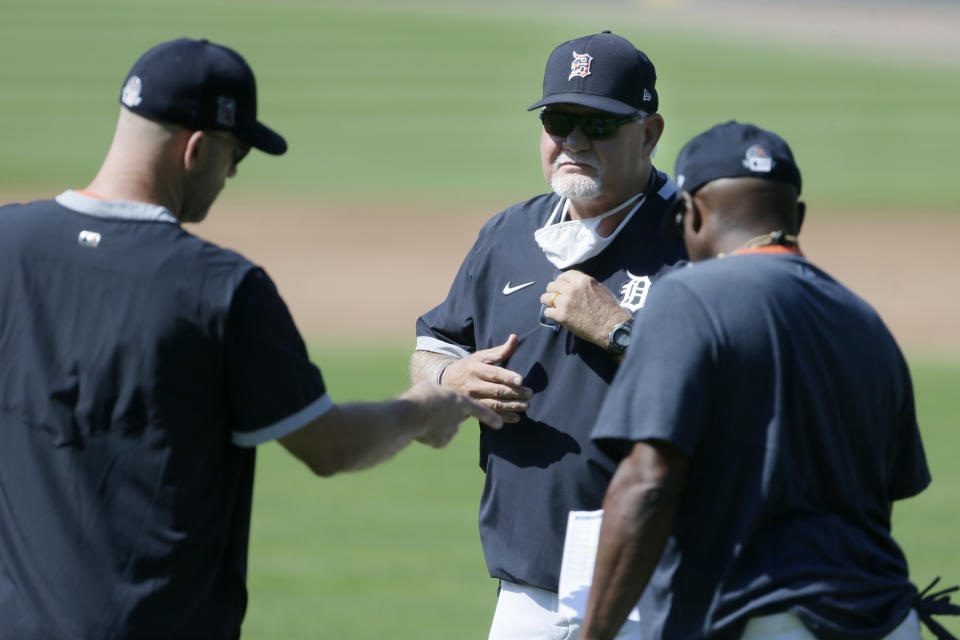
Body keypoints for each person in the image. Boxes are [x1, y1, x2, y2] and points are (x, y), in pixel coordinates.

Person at [0, 38, 500, 640]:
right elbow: (330, 446)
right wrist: (425, 409)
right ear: (196, 148)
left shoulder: (9, 244)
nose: (233, 172)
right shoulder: (219, 288)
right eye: (235, 152)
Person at [579, 121, 959, 639]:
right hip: (883, 618)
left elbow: (647, 483)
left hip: (763, 620)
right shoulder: (866, 323)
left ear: (693, 213)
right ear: (796, 216)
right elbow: (881, 498)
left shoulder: (691, 296)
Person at [409, 32, 686, 638]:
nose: (575, 142)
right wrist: (448, 378)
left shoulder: (692, 239)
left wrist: (617, 331)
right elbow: (434, 345)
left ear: (649, 132)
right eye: (560, 120)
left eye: (600, 123)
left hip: (655, 589)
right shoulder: (509, 233)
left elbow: (739, 394)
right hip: (525, 587)